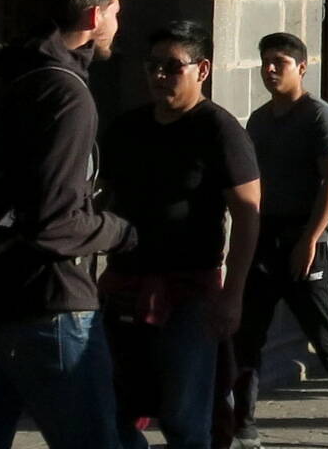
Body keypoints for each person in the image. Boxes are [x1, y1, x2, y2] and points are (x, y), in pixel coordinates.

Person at [0, 0, 138, 449]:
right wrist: (119, 230)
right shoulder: (65, 93)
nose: (120, 21)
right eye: (117, 10)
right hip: (48, 303)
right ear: (94, 14)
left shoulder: (11, 74)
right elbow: (54, 223)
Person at [98, 22, 262, 449]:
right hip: (124, 288)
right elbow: (100, 201)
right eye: (153, 66)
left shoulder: (220, 131)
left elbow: (247, 216)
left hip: (190, 294)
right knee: (111, 411)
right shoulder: (127, 128)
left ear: (201, 70)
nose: (159, 76)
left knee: (184, 417)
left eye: (173, 67)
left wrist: (234, 294)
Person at [235, 33, 328, 446]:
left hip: (309, 232)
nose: (270, 69)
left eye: (279, 61)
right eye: (265, 61)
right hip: (268, 233)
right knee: (248, 331)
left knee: (322, 330)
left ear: (301, 67)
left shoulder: (320, 116)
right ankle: (243, 422)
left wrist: (310, 240)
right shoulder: (260, 120)